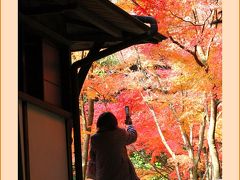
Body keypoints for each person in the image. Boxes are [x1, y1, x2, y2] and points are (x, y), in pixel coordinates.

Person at [86, 111, 139, 180]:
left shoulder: (95, 139)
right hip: (122, 176)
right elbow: (133, 136)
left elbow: (92, 158)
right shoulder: (120, 134)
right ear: (114, 122)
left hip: (103, 176)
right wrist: (129, 125)